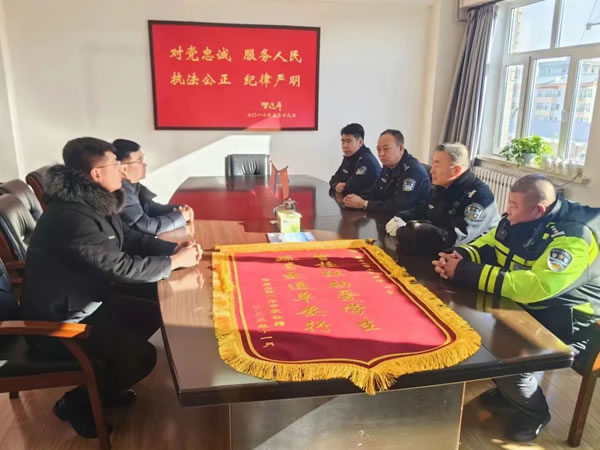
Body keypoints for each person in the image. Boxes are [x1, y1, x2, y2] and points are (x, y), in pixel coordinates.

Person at [21, 137, 201, 439]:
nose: (121, 170)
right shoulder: (71, 217)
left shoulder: (96, 202)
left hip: (90, 302)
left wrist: (172, 251)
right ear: (96, 174)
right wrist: (173, 263)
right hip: (59, 323)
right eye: (115, 165)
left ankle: (107, 377)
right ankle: (74, 403)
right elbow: (120, 267)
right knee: (141, 357)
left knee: (156, 309)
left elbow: (130, 239)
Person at [432, 174, 600, 442]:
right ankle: (509, 392)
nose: (507, 210)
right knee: (471, 331)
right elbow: (490, 242)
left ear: (539, 210)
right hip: (532, 308)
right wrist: (461, 255)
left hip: (573, 323)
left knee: (507, 358)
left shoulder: (573, 236)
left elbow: (537, 286)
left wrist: (464, 271)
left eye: (513, 205)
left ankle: (534, 412)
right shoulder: (519, 219)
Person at [386, 143, 498, 256]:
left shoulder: (479, 196)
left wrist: (403, 231)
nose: (431, 171)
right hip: (440, 251)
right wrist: (401, 217)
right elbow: (424, 210)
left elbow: (453, 238)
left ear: (456, 170)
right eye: (432, 164)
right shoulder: (443, 186)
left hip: (469, 257)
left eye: (437, 165)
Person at [112, 138, 193, 235]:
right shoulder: (121, 191)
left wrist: (178, 210)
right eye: (140, 161)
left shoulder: (132, 185)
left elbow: (150, 208)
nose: (145, 164)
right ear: (123, 168)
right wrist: (180, 217)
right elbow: (144, 226)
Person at [342, 129, 430, 213]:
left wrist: (364, 204)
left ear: (400, 148)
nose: (381, 154)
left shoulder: (412, 171)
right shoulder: (388, 165)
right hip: (388, 216)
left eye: (386, 149)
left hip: (410, 220)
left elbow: (399, 205)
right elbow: (375, 191)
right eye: (378, 149)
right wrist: (355, 199)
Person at [329, 123, 381, 196]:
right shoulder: (349, 156)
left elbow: (352, 188)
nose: (344, 146)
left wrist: (341, 186)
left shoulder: (367, 161)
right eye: (343, 141)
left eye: (348, 141)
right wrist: (336, 185)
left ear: (360, 142)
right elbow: (334, 178)